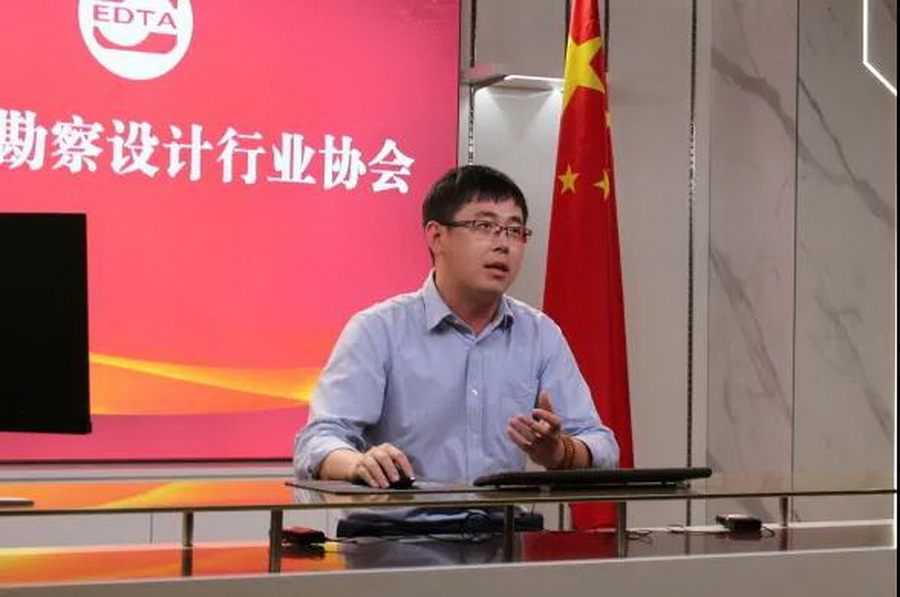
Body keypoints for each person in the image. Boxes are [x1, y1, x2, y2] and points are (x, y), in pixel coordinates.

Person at [293, 164, 618, 493]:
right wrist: (356, 463)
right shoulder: (378, 330)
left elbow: (602, 445)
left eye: (514, 230)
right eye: (484, 226)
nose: (503, 244)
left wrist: (561, 452)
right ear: (436, 237)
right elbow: (317, 441)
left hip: (504, 522)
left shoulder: (539, 334)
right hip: (396, 522)